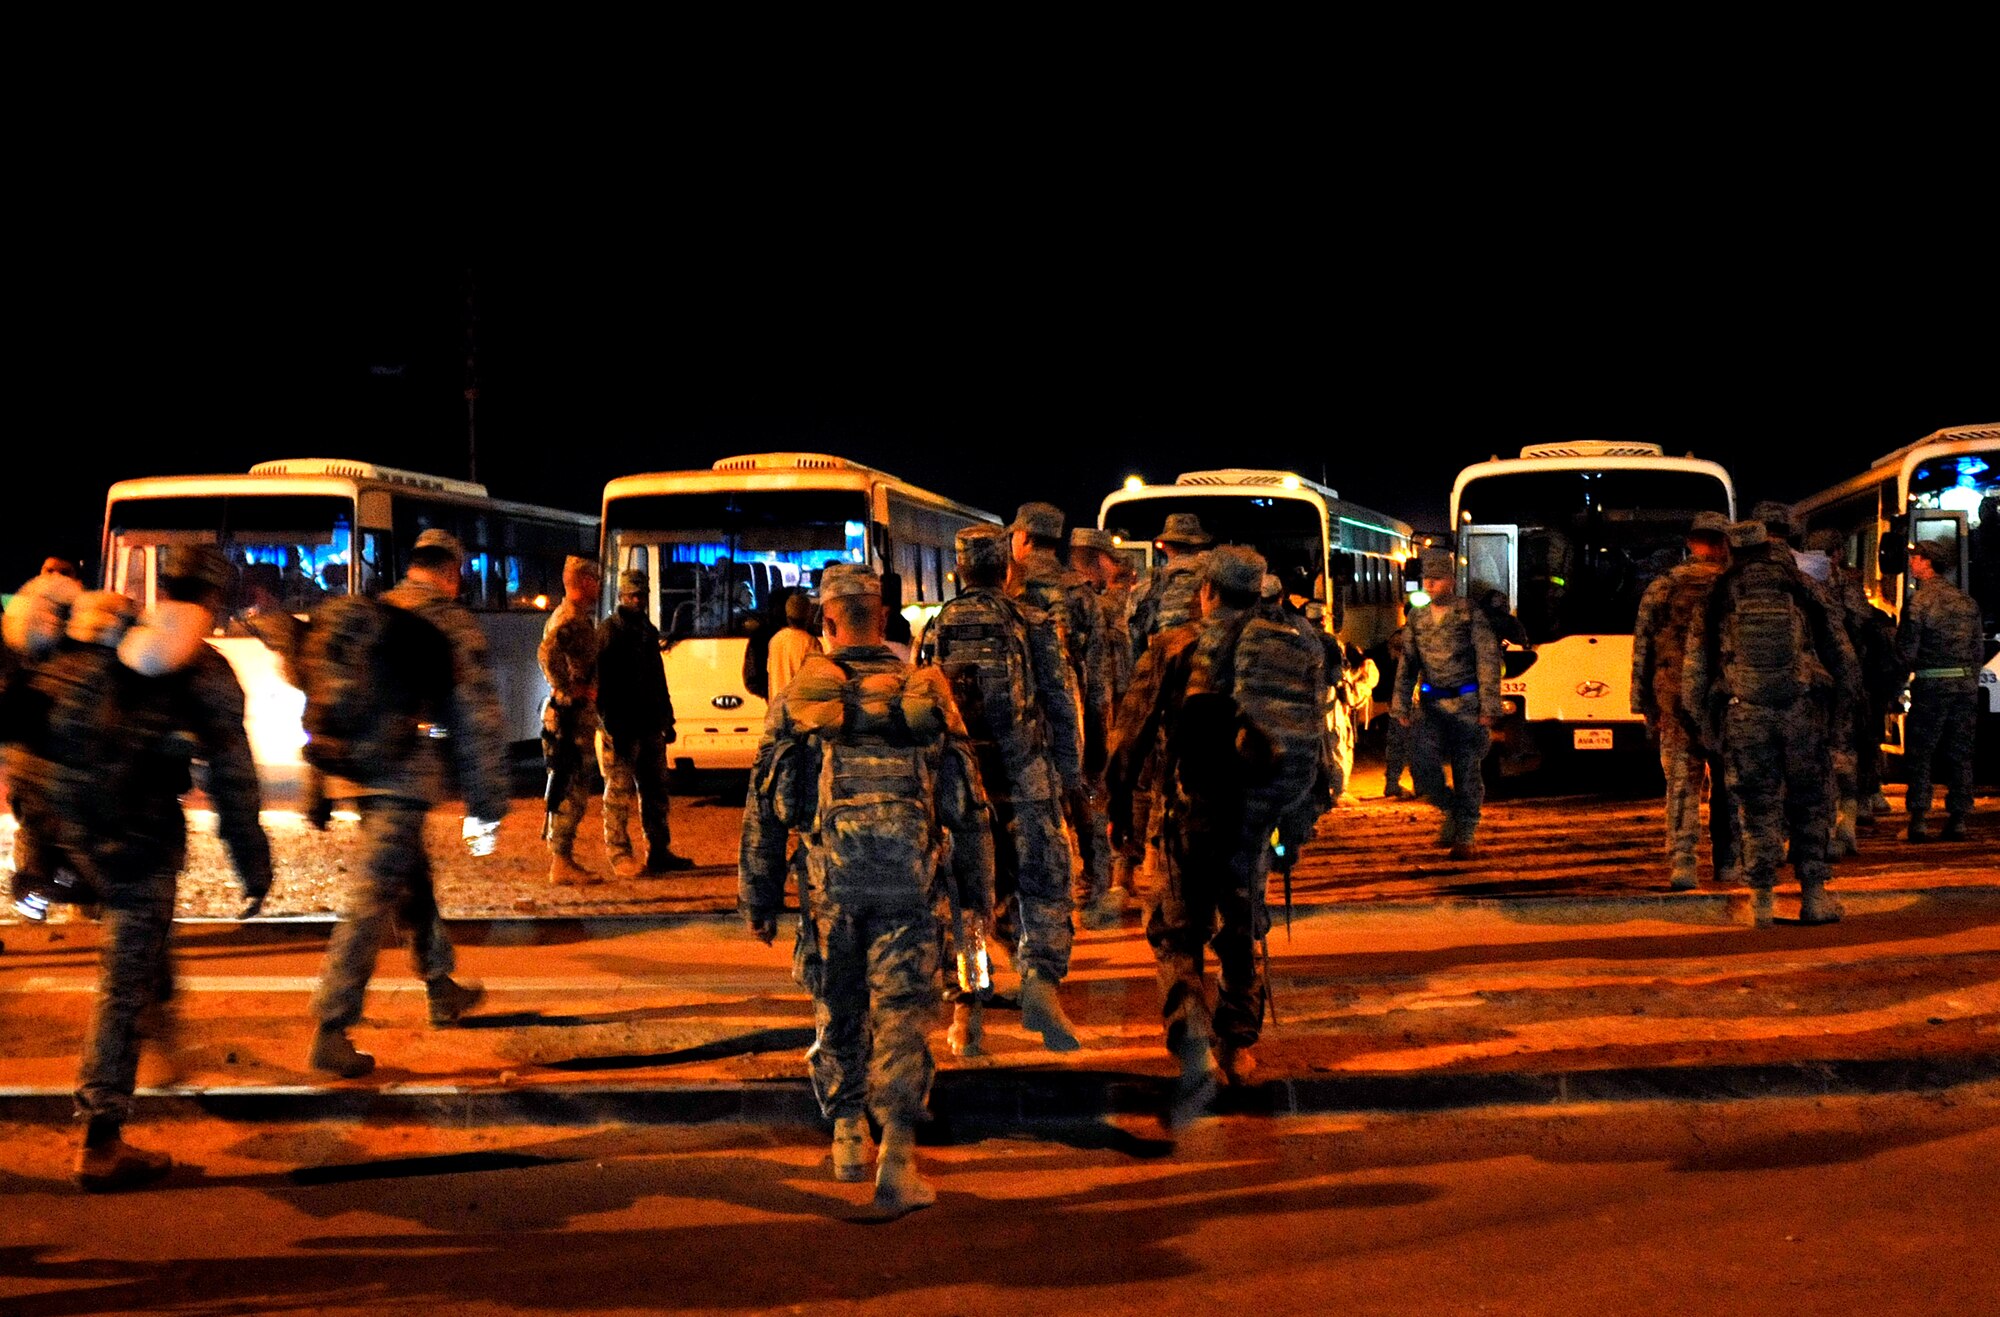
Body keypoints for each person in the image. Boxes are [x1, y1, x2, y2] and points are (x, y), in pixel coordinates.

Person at [4, 546, 273, 1190]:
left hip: (65, 832)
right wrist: (252, 863)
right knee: (123, 977)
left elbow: (30, 744)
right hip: (134, 839)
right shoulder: (198, 668)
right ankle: (101, 1136)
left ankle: (167, 1041)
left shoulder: (90, 644)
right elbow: (233, 778)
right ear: (211, 598)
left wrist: (36, 849)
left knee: (146, 948)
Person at [739, 564, 995, 1218]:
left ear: (826, 621)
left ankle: (848, 1131)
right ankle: (898, 1158)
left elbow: (765, 803)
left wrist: (760, 894)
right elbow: (966, 803)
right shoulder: (923, 688)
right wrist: (979, 893)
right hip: (910, 881)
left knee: (839, 999)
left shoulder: (803, 695)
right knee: (904, 1010)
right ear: (884, 616)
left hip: (832, 880)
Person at [1112, 545, 1326, 1128]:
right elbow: (1313, 737)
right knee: (1240, 927)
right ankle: (1239, 1047)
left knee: (1176, 931)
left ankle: (1191, 1035)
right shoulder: (1288, 646)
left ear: (1207, 591)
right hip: (1253, 817)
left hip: (1184, 812)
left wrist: (1118, 811)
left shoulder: (1175, 646)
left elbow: (1131, 735)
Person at [307, 529, 505, 1078]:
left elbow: (322, 693)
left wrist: (317, 781)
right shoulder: (447, 621)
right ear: (453, 570)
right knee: (370, 899)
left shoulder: (376, 609)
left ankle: (441, 987)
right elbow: (475, 719)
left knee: (410, 879)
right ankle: (331, 1025)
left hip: (355, 771)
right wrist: (486, 805)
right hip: (401, 776)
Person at [930, 526, 1085, 1054]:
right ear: (1007, 570)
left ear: (960, 572)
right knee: (1044, 887)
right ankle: (1040, 985)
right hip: (1027, 781)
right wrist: (1071, 778)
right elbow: (1062, 706)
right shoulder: (1031, 622)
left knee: (968, 902)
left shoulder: (938, 626)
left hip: (963, 789)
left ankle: (966, 1017)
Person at [1682, 521, 1855, 926]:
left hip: (1745, 713)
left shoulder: (1718, 592)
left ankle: (1761, 901)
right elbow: (1842, 655)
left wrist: (1705, 725)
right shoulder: (1801, 587)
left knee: (1757, 806)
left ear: (1733, 549)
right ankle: (1814, 898)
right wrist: (1841, 712)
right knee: (1810, 802)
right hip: (1801, 710)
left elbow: (1695, 669)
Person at [1007, 503, 1119, 931]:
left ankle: (1035, 902)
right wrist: (1096, 737)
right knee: (1085, 796)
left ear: (1025, 538)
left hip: (1021, 722)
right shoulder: (1083, 595)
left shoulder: (1010, 590)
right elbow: (1099, 676)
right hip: (1073, 718)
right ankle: (1095, 883)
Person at [1631, 511, 1736, 890]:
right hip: (1728, 703)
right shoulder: (1733, 585)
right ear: (1725, 543)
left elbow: (1642, 649)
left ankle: (1683, 863)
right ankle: (1726, 862)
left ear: (1691, 543)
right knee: (1729, 783)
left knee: (1681, 784)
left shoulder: (1663, 586)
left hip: (1673, 704)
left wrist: (1644, 706)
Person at [1392, 549, 1502, 860]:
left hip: (1466, 705)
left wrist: (1489, 707)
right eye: (1426, 579)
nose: (1429, 584)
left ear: (1450, 582)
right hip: (1430, 705)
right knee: (1423, 769)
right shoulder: (1417, 617)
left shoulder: (1469, 614)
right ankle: (1453, 810)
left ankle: (1465, 831)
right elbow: (1408, 663)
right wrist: (1400, 705)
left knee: (1467, 771)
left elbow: (1487, 660)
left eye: (1436, 579)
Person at [596, 569, 695, 876]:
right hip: (623, 727)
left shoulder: (647, 631)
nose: (637, 600)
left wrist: (667, 717)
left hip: (649, 724)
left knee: (655, 792)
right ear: (621, 597)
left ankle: (658, 850)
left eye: (641, 595)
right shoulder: (609, 632)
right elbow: (601, 684)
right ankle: (619, 853)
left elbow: (657, 677)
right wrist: (610, 726)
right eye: (632, 596)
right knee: (619, 793)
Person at [1896, 540, 1982, 842]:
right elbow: (1976, 652)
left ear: (1927, 562)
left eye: (1915, 558)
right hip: (1963, 687)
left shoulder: (1919, 602)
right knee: (1959, 752)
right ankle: (1958, 818)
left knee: (1922, 752)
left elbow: (1907, 650)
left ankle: (1919, 819)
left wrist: (1896, 685)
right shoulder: (1967, 603)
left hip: (1931, 686)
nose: (1912, 563)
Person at [539, 555, 603, 886]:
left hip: (576, 714)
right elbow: (547, 654)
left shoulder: (578, 616)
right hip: (568, 716)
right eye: (593, 579)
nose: (598, 584)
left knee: (574, 785)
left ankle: (563, 859)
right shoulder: (569, 618)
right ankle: (561, 862)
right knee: (571, 787)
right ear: (582, 582)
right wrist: (570, 688)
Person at [1125, 512, 1211, 659]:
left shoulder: (1147, 587)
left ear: (1165, 547)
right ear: (1200, 545)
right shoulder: (1217, 583)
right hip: (1206, 671)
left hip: (1164, 670)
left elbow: (1133, 637)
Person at [765, 589, 822, 698]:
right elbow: (817, 679)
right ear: (808, 615)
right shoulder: (809, 642)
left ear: (787, 615)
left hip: (777, 708)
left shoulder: (775, 640)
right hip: (799, 709)